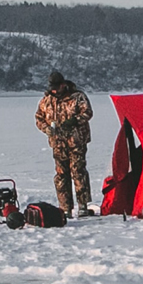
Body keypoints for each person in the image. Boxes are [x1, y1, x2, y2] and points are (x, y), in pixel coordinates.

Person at [35, 71, 94, 217]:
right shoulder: (46, 100)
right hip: (57, 144)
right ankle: (65, 208)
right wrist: (46, 129)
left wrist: (75, 120)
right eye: (52, 88)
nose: (54, 90)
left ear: (63, 85)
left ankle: (83, 206)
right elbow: (38, 118)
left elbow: (88, 112)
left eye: (56, 87)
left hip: (76, 142)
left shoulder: (77, 97)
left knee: (78, 172)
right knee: (61, 176)